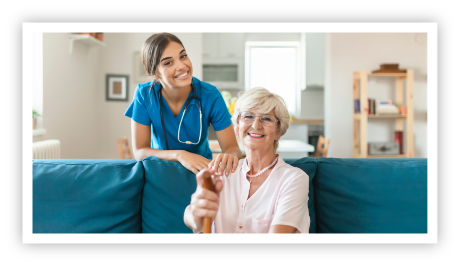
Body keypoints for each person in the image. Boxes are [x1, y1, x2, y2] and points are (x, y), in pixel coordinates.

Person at [183, 88, 310, 233]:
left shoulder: (293, 179)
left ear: (278, 132)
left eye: (266, 118)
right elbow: (194, 222)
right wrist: (196, 211)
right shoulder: (223, 172)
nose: (256, 125)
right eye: (248, 116)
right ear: (237, 127)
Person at [125, 33, 242, 175]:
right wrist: (180, 155)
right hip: (159, 172)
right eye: (168, 62)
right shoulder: (144, 95)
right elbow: (140, 152)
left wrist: (229, 157)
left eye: (183, 56)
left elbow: (232, 149)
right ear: (155, 73)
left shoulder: (210, 95)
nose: (181, 66)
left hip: (201, 174)